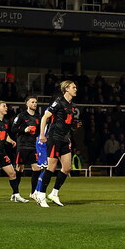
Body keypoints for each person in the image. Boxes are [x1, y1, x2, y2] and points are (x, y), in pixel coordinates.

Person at [35, 80, 80, 208]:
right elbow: (45, 117)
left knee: (67, 168)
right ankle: (41, 195)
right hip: (54, 138)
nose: (75, 89)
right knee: (51, 167)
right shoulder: (58, 102)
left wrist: (74, 125)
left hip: (65, 139)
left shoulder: (72, 105)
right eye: (73, 87)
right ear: (66, 89)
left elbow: (67, 122)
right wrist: (42, 134)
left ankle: (54, 193)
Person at [10, 96, 42, 202]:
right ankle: (15, 193)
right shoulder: (21, 116)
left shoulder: (38, 117)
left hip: (33, 147)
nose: (35, 104)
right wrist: (24, 129)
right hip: (23, 146)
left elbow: (39, 131)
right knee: (19, 169)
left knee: (37, 169)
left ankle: (33, 193)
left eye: (36, 102)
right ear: (27, 104)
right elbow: (13, 129)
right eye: (32, 102)